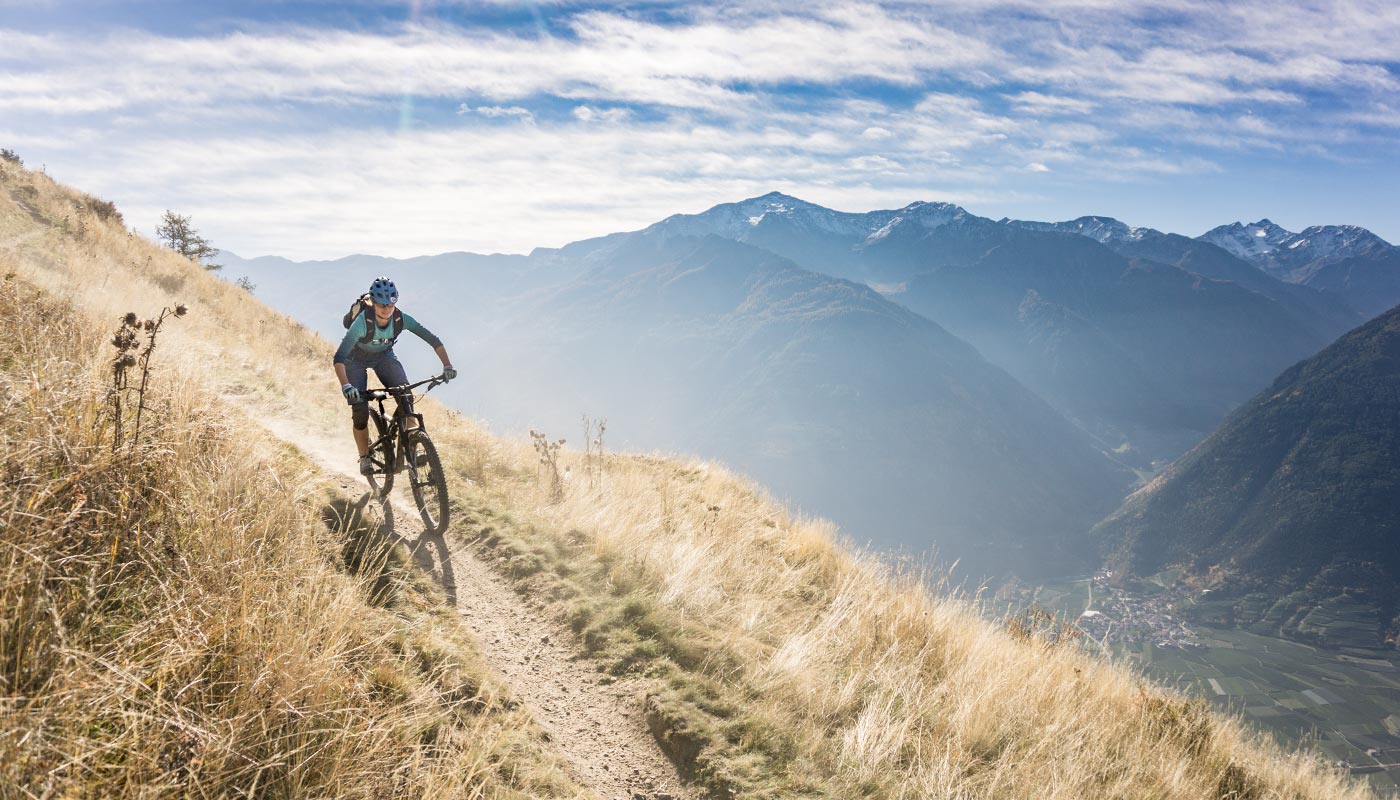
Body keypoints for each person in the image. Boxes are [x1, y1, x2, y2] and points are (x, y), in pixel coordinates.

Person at [333, 276, 456, 475]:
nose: (387, 310)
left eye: (390, 304)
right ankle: (364, 457)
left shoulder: (401, 319)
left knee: (406, 398)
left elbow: (433, 340)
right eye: (382, 305)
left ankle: (414, 447)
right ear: (373, 302)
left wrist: (447, 365)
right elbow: (339, 358)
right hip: (354, 360)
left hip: (384, 357)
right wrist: (346, 386)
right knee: (360, 410)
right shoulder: (362, 323)